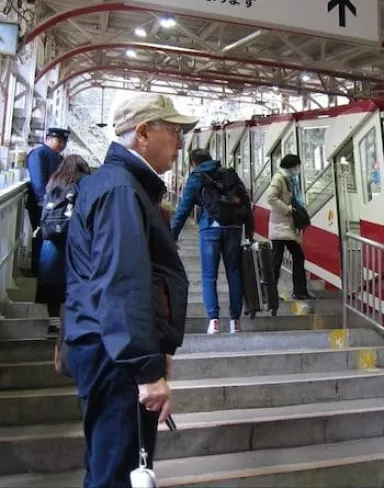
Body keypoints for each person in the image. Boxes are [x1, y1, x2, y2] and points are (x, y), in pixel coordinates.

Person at [65, 93, 197, 488]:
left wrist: (158, 353)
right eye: (174, 131)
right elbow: (123, 283)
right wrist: (145, 369)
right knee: (119, 475)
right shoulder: (122, 190)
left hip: (109, 350)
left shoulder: (115, 184)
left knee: (110, 466)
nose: (180, 143)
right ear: (142, 133)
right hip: (117, 358)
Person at [170, 149, 253, 335]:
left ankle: (214, 321)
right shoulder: (229, 174)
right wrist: (250, 231)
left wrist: (171, 235)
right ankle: (235, 322)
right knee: (234, 274)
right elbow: (246, 203)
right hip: (233, 228)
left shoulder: (197, 177)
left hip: (210, 228)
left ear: (193, 162)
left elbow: (184, 209)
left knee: (209, 276)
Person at [37, 154, 90, 336]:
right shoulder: (83, 182)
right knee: (75, 279)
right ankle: (74, 322)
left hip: (50, 238)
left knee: (52, 280)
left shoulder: (53, 182)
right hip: (72, 237)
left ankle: (54, 322)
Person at [266, 154, 312, 301]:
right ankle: (272, 293)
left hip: (288, 227)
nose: (298, 169)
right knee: (278, 260)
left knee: (296, 257)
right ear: (292, 166)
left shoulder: (290, 179)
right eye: (297, 166)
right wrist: (287, 209)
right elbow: (271, 197)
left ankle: (299, 291)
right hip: (280, 226)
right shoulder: (279, 178)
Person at [25, 127, 69, 276]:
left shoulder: (59, 158)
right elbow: (38, 182)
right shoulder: (39, 154)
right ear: (48, 138)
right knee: (40, 234)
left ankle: (45, 268)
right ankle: (36, 268)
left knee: (49, 236)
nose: (62, 144)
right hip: (41, 204)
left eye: (64, 141)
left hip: (54, 204)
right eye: (59, 140)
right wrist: (43, 203)